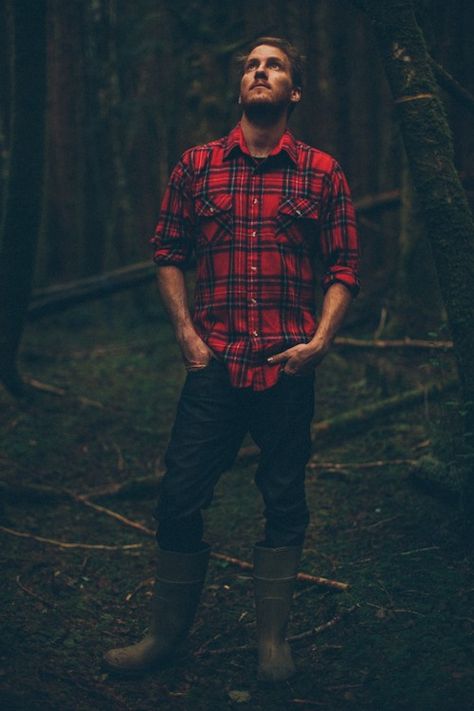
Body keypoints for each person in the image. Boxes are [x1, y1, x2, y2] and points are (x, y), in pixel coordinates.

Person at [104, 36, 360, 682]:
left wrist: (322, 340)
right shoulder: (197, 167)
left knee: (284, 499)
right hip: (215, 367)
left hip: (288, 365)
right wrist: (187, 336)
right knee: (178, 494)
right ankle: (164, 635)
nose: (260, 72)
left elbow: (344, 266)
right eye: (251, 65)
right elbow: (168, 249)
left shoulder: (323, 173)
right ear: (240, 86)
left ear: (293, 92)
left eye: (274, 66)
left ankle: (272, 642)